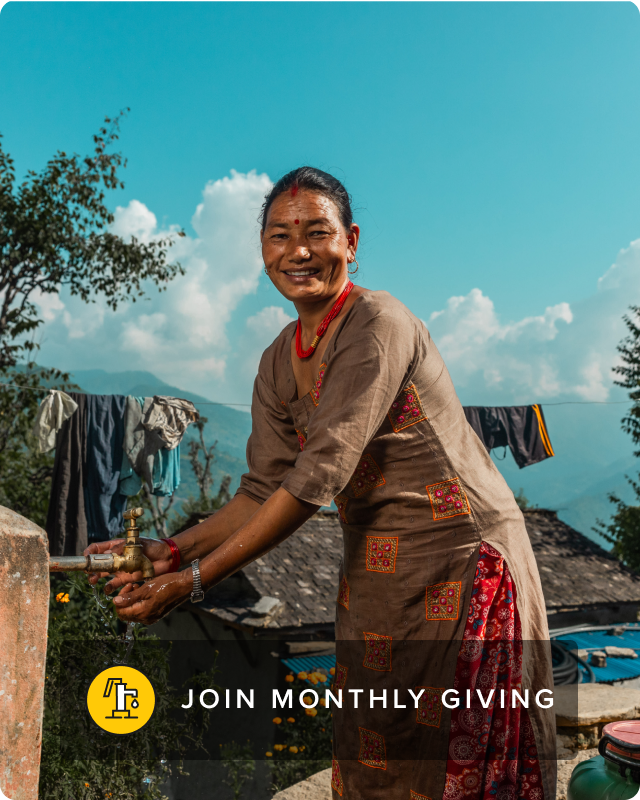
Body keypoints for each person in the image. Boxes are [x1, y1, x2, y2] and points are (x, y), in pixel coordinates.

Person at [87, 167, 556, 800]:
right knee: (376, 745)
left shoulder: (377, 324)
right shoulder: (279, 359)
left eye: (317, 232)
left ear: (351, 241)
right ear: (262, 251)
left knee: (457, 752)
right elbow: (261, 488)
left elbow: (316, 479)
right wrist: (165, 552)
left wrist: (194, 580)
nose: (298, 251)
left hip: (460, 559)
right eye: (279, 235)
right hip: (376, 570)